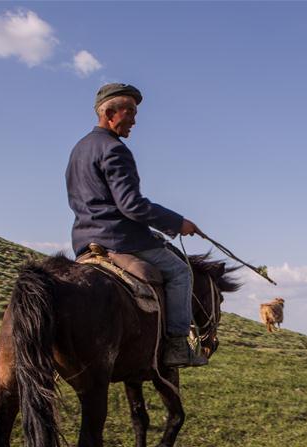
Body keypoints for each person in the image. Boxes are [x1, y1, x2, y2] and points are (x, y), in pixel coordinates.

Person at [66, 82, 206, 367]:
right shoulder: (115, 149)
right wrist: (178, 223)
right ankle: (178, 345)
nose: (134, 119)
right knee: (180, 271)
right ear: (109, 113)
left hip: (84, 241)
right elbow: (131, 205)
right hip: (120, 240)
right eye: (129, 111)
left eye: (135, 112)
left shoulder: (78, 150)